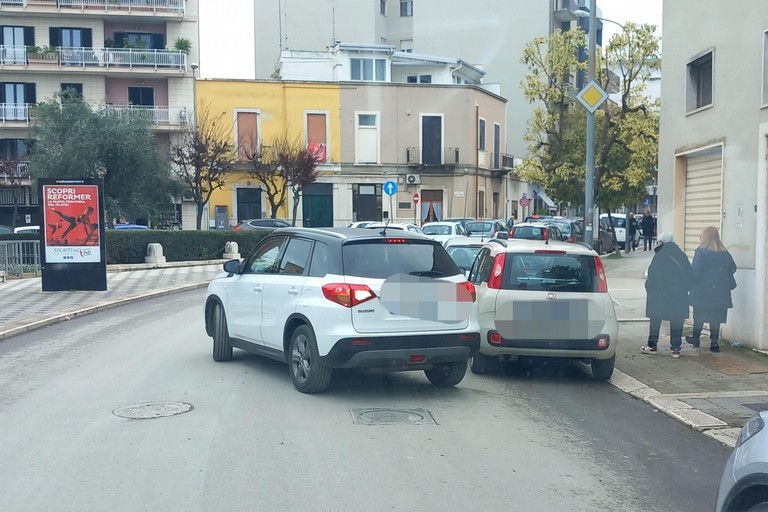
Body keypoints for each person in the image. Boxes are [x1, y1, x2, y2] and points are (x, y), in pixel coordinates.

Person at [641, 232, 693, 358]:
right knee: (677, 320)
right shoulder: (681, 255)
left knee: (655, 319)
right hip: (678, 295)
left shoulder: (659, 256)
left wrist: (650, 289)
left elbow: (652, 277)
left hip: (659, 296)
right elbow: (690, 275)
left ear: (661, 242)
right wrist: (684, 289)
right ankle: (675, 349)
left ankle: (652, 345)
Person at [686, 226, 737, 353]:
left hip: (703, 292)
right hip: (720, 292)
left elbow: (695, 271)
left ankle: (695, 339)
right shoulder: (725, 253)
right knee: (716, 318)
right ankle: (714, 343)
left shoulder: (701, 252)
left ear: (705, 237)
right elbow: (733, 268)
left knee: (699, 316)